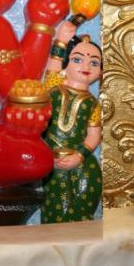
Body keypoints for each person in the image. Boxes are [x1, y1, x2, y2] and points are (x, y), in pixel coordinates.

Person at [41, 20, 102, 223]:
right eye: (77, 60)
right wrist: (61, 39)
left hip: (82, 161)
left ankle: (81, 235)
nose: (86, 66)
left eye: (94, 63)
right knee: (58, 208)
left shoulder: (93, 104)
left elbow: (94, 135)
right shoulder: (54, 87)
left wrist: (79, 156)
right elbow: (53, 64)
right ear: (66, 63)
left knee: (86, 198)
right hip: (54, 161)